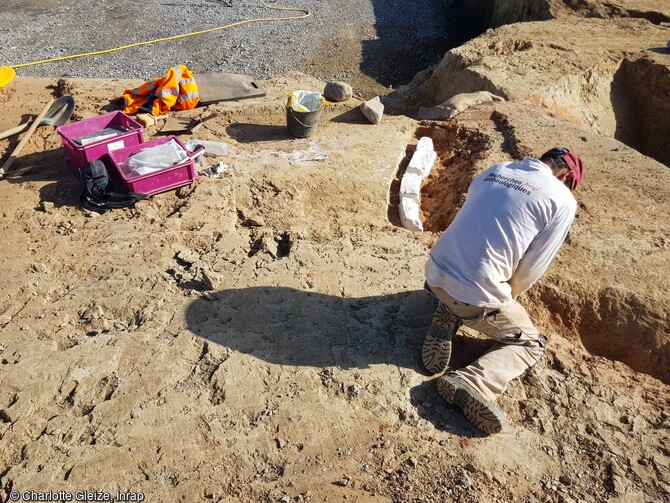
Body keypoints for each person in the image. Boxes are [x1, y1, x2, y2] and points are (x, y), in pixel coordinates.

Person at [422, 148, 584, 434]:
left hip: (434, 273)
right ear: (566, 176)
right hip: (474, 294)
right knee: (531, 343)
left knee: (470, 283)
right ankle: (473, 382)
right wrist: (506, 298)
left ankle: (448, 308)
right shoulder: (562, 200)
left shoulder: (497, 169)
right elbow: (531, 269)